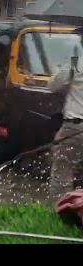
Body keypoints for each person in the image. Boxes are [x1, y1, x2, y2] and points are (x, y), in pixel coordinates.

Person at [48, 33, 83, 200]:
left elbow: (53, 85)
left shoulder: (76, 61)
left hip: (75, 127)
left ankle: (60, 214)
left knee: (62, 173)